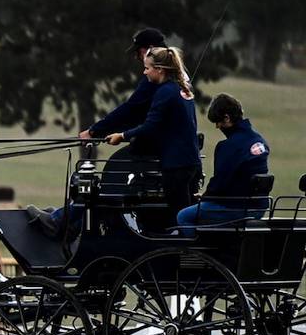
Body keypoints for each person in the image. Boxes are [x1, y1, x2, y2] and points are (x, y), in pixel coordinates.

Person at [27, 28, 167, 238]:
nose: (139, 60)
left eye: (139, 52)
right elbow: (139, 113)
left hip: (153, 150)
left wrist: (95, 131)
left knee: (110, 178)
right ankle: (71, 218)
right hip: (162, 149)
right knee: (110, 177)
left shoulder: (157, 80)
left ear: (150, 49)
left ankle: (60, 221)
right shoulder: (175, 78)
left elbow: (131, 109)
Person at [102, 45, 201, 231]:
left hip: (176, 165)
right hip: (191, 161)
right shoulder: (182, 89)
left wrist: (122, 136)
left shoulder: (165, 92)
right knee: (186, 210)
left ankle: (185, 246)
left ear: (160, 69)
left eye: (147, 68)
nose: (144, 72)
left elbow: (150, 127)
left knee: (179, 213)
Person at [175, 93, 270, 231]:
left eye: (218, 122)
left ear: (227, 118)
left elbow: (221, 182)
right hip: (258, 207)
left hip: (235, 207)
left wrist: (206, 197)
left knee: (184, 216)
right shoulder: (259, 141)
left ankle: (198, 245)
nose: (217, 126)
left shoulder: (228, 146)